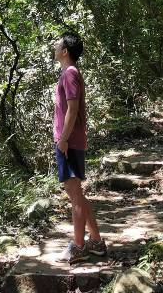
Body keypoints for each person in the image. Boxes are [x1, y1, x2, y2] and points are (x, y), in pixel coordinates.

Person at [53, 32, 107, 264]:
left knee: (74, 195)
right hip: (70, 141)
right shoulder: (68, 73)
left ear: (65, 51)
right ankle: (95, 242)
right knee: (78, 194)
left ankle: (79, 246)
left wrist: (63, 139)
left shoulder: (70, 73)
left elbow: (72, 110)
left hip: (69, 142)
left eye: (58, 43)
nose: (55, 46)